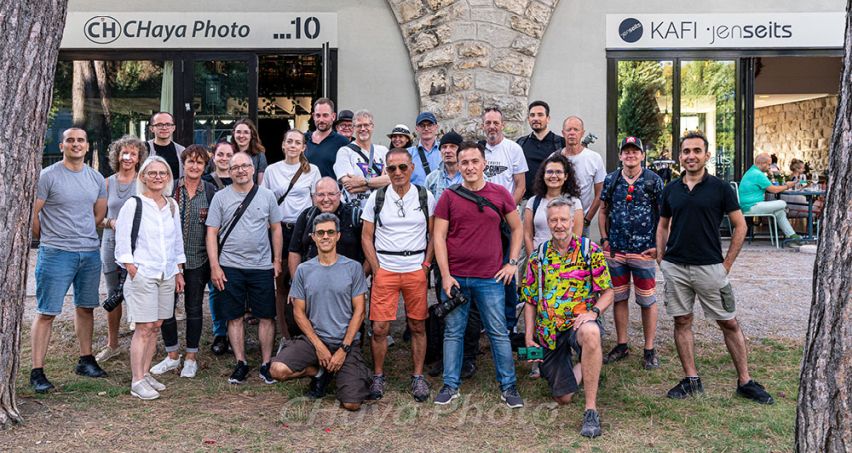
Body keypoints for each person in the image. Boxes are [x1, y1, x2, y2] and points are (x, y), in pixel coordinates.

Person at [656, 131, 774, 405]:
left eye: (697, 151)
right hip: (676, 268)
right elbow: (662, 225)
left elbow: (741, 226)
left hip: (711, 268)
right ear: (680, 157)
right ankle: (691, 379)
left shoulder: (721, 188)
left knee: (729, 322)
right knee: (682, 321)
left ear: (706, 155)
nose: (691, 156)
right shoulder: (671, 189)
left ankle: (745, 381)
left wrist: (727, 264)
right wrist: (661, 257)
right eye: (686, 151)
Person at [433, 141, 524, 408]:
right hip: (456, 278)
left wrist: (512, 263)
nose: (470, 167)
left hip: (491, 278)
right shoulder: (449, 197)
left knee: (498, 332)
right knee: (453, 332)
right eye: (465, 162)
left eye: (475, 161)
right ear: (458, 166)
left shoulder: (500, 194)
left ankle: (508, 387)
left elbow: (517, 229)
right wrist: (446, 276)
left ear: (484, 164)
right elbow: (438, 236)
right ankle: (450, 385)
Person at [521, 197, 613, 438]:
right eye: (554, 220)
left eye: (563, 219)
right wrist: (529, 336)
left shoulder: (589, 250)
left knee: (591, 333)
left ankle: (591, 410)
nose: (559, 225)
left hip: (579, 323)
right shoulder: (538, 256)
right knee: (563, 397)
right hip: (549, 331)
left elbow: (608, 291)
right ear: (547, 223)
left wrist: (593, 312)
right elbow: (530, 300)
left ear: (573, 221)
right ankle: (587, 362)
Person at [30, 128, 109, 393]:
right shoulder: (48, 176)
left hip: (88, 252)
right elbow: (34, 214)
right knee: (47, 312)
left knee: (86, 307)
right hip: (56, 253)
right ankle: (37, 371)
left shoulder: (96, 178)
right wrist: (50, 237)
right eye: (70, 140)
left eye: (81, 140)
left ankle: (86, 360)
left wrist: (82, 234)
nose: (76, 144)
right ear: (62, 145)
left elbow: (98, 216)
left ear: (87, 146)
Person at [269, 213, 372, 410]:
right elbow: (299, 312)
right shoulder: (304, 270)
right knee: (277, 370)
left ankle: (350, 371)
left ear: (338, 236)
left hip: (345, 342)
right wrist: (319, 346)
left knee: (351, 404)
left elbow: (360, 311)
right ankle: (318, 372)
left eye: (330, 232)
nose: (325, 236)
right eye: (321, 233)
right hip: (315, 340)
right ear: (313, 237)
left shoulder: (353, 268)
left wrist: (344, 349)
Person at [361, 148, 436, 402]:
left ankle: (417, 376)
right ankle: (379, 375)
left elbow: (435, 235)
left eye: (402, 167)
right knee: (380, 327)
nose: (397, 173)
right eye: (392, 168)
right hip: (386, 269)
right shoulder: (378, 197)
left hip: (415, 267)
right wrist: (377, 267)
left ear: (411, 168)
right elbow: (366, 237)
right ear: (386, 170)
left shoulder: (425, 196)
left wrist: (426, 264)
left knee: (417, 324)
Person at [206, 152, 284, 385]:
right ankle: (241, 362)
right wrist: (215, 266)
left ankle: (266, 362)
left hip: (261, 265)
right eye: (235, 167)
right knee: (234, 316)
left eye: (245, 166)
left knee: (266, 316)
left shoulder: (267, 196)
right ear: (229, 172)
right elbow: (211, 232)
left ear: (253, 169)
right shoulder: (220, 197)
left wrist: (277, 259)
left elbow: (276, 228)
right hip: (230, 265)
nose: (240, 170)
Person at [114, 156, 186, 400]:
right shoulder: (134, 204)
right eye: (152, 173)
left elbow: (177, 240)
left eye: (162, 173)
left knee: (156, 326)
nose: (158, 177)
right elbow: (122, 240)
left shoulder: (171, 205)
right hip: (143, 273)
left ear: (168, 177)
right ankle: (136, 380)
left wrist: (178, 270)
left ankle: (145, 374)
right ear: (143, 176)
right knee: (143, 328)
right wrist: (133, 269)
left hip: (166, 273)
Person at [149, 146, 217, 378]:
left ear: (205, 166)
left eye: (199, 163)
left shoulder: (210, 190)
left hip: (198, 260)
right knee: (166, 308)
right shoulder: (170, 188)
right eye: (190, 162)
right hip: (168, 261)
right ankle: (171, 355)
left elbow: (215, 228)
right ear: (183, 163)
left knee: (194, 308)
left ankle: (191, 357)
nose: (195, 166)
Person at [598, 136, 664, 369]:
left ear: (642, 155)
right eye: (626, 151)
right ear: (620, 155)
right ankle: (622, 344)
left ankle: (649, 348)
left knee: (647, 301)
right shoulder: (611, 179)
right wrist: (605, 240)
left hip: (643, 251)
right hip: (616, 251)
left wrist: (659, 246)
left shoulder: (653, 180)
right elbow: (603, 211)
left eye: (634, 151)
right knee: (619, 297)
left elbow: (664, 216)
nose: (630, 155)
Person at [423, 130, 480, 378]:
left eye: (452, 147)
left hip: (468, 250)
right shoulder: (432, 180)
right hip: (441, 250)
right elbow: (430, 218)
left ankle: (468, 357)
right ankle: (447, 357)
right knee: (446, 304)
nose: (447, 150)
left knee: (472, 307)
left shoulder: (473, 177)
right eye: (443, 146)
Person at [262, 130, 321, 338]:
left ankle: (310, 331)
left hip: (303, 229)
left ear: (304, 147)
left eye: (298, 142)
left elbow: (317, 203)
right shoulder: (271, 170)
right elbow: (266, 203)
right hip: (280, 230)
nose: (293, 146)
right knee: (282, 283)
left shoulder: (312, 171)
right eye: (289, 142)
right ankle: (286, 335)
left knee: (307, 281)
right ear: (283, 145)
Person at [95, 135, 148, 363]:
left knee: (139, 292)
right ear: (117, 156)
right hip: (111, 243)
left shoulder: (144, 182)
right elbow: (97, 218)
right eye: (123, 153)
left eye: (132, 154)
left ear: (139, 158)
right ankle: (113, 344)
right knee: (113, 293)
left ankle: (141, 342)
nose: (127, 157)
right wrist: (111, 222)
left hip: (139, 245)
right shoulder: (107, 183)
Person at [481, 106, 527, 332]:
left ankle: (509, 322)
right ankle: (484, 320)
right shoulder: (478, 151)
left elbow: (521, 185)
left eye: (495, 123)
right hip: (481, 221)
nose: (492, 127)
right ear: (483, 126)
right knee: (484, 268)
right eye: (488, 123)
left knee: (507, 269)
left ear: (502, 125)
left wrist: (506, 210)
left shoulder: (513, 149)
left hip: (507, 220)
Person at [289, 177, 366, 274]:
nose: (326, 199)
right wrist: (297, 283)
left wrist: (359, 282)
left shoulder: (355, 216)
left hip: (348, 282)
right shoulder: (307, 216)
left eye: (331, 194)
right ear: (315, 197)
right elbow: (294, 251)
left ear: (339, 195)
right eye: (321, 194)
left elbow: (369, 251)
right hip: (311, 281)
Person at [201, 141, 235, 355]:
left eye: (228, 154)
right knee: (215, 288)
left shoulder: (240, 179)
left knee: (232, 288)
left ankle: (234, 331)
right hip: (211, 240)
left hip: (234, 243)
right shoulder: (205, 181)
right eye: (220, 154)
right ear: (213, 156)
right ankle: (219, 332)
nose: (224, 158)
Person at [524, 154, 584, 253]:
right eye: (549, 172)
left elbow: (576, 237)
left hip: (566, 262)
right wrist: (533, 260)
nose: (553, 176)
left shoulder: (575, 203)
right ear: (543, 175)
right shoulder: (533, 202)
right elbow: (527, 235)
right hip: (539, 258)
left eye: (558, 172)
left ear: (566, 176)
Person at [737, 152, 801, 244]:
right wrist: (787, 186)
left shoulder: (751, 171)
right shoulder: (758, 174)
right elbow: (774, 190)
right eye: (768, 164)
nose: (769, 167)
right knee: (783, 203)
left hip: (747, 205)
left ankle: (792, 237)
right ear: (762, 163)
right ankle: (792, 237)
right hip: (751, 206)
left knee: (780, 211)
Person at [558, 116, 605, 236]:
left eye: (576, 129)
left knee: (580, 253)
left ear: (582, 133)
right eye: (569, 130)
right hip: (558, 220)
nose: (572, 133)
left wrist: (587, 219)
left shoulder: (594, 158)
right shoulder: (555, 158)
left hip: (582, 220)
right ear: (563, 133)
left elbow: (600, 192)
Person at [333, 109, 390, 208]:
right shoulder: (345, 152)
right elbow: (349, 186)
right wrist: (380, 182)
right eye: (359, 125)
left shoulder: (383, 151)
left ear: (372, 126)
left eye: (366, 125)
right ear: (353, 128)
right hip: (356, 212)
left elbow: (391, 180)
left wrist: (364, 182)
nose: (363, 128)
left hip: (382, 209)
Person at [516, 100, 565, 200]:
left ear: (548, 118)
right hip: (526, 201)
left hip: (554, 201)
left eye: (540, 115)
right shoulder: (520, 143)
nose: (536, 118)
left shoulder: (560, 143)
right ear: (528, 119)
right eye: (532, 115)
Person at [305, 98, 350, 179]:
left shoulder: (343, 142)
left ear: (333, 116)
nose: (321, 120)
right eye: (318, 115)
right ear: (313, 116)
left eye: (325, 115)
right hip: (306, 190)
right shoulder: (303, 139)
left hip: (331, 191)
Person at [146, 112, 185, 179]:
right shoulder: (144, 149)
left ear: (173, 128)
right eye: (159, 124)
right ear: (151, 128)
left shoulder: (181, 150)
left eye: (168, 124)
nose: (164, 128)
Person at [408, 112, 442, 186]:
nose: (426, 129)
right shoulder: (408, 154)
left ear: (436, 127)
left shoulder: (444, 151)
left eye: (430, 125)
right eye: (422, 125)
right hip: (417, 196)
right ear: (417, 128)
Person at [230, 118, 268, 185]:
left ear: (251, 135)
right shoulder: (228, 153)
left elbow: (261, 185)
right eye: (238, 132)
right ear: (233, 134)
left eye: (246, 132)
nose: (241, 136)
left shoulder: (259, 156)